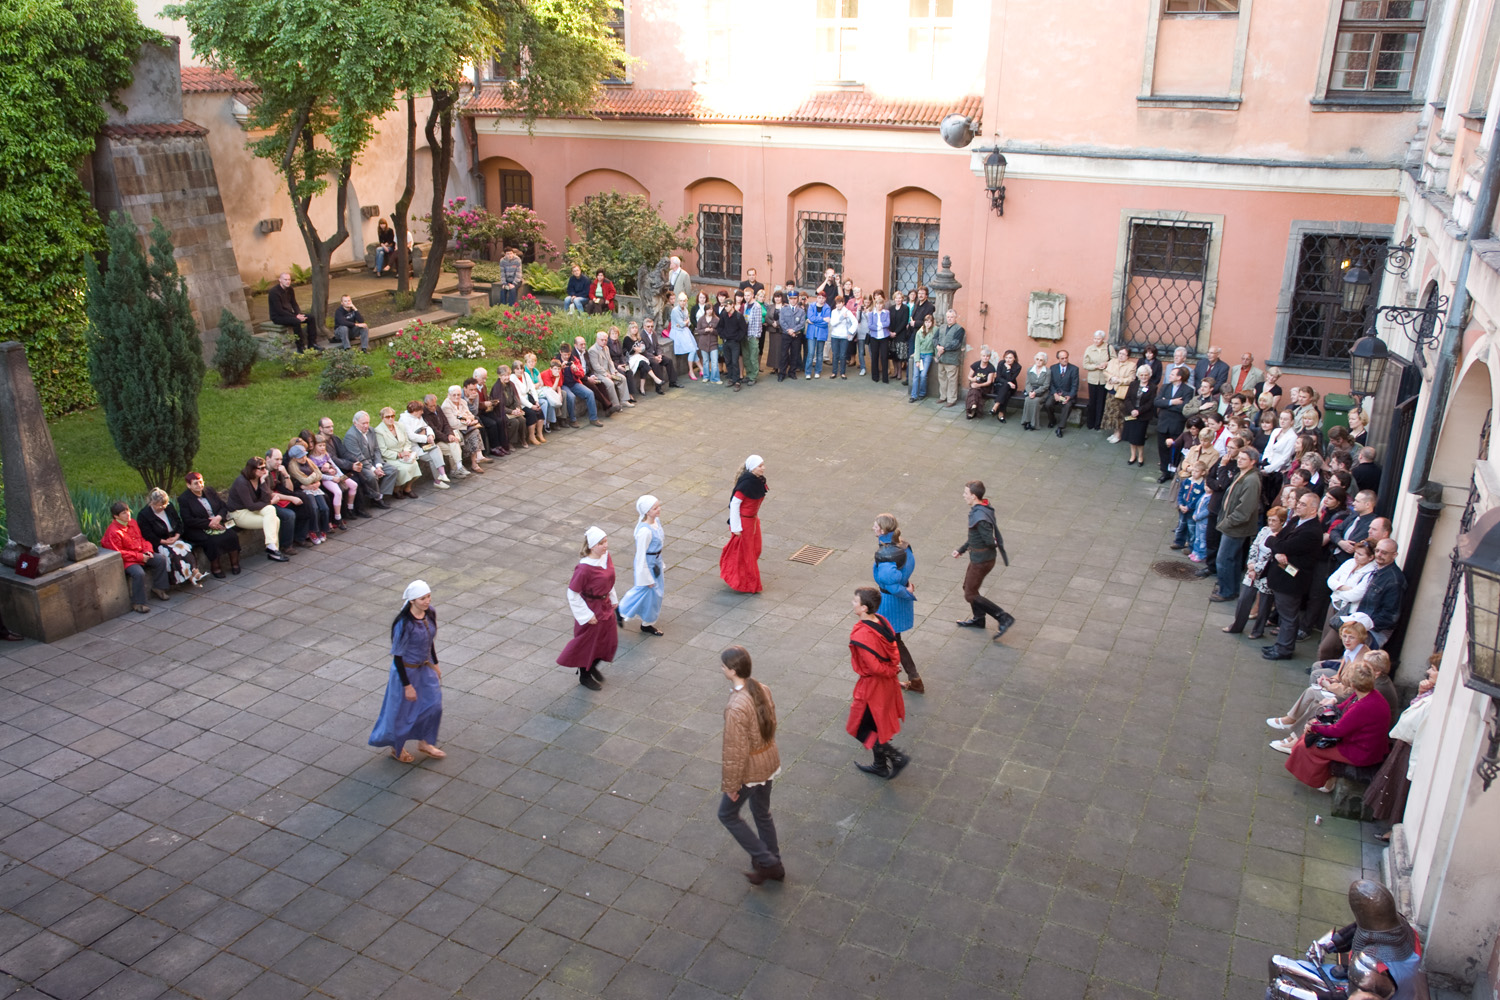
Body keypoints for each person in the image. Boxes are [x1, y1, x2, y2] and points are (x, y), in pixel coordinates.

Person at [717, 645, 784, 885]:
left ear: (733, 670)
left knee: (727, 815)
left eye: (723, 666)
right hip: (769, 760)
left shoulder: (736, 706)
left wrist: (732, 785)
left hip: (752, 769)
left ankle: (768, 862)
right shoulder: (761, 688)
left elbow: (735, 751)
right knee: (762, 812)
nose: (721, 669)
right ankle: (773, 859)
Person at [368, 581, 446, 763]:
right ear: (412, 601)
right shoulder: (404, 624)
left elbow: (429, 640)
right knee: (403, 712)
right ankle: (397, 746)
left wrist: (435, 663)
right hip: (407, 672)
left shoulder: (430, 613)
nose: (427, 601)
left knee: (434, 705)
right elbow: (398, 656)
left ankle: (425, 742)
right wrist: (407, 686)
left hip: (425, 668)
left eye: (428, 596)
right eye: (422, 598)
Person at [1284, 662, 1390, 793]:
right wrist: (1320, 718)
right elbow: (1342, 706)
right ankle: (1327, 780)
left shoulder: (1362, 706)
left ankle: (1324, 782)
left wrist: (1314, 727)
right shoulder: (1370, 694)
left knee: (1308, 744)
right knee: (1307, 739)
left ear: (1353, 684)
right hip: (1366, 747)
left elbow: (1337, 731)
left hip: (1360, 752)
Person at [847, 587, 910, 778]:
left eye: (855, 601)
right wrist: (893, 670)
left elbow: (874, 668)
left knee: (859, 727)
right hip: (887, 683)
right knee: (875, 724)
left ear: (864, 608)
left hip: (873, 686)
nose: (853, 603)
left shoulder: (862, 635)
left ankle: (896, 757)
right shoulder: (882, 621)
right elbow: (893, 649)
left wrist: (889, 671)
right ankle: (880, 765)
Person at [1264, 490, 1326, 660]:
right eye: (1299, 502)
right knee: (1285, 614)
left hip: (1292, 580)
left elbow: (1284, 545)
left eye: (1303, 504)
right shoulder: (1296, 520)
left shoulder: (1311, 531)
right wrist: (1277, 549)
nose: (1298, 505)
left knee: (1288, 616)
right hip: (1282, 575)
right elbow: (1276, 539)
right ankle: (1280, 645)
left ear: (1314, 510)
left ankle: (1284, 649)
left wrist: (1276, 546)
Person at [951, 480, 1015, 639]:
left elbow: (987, 540)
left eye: (966, 493)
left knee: (970, 594)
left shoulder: (980, 517)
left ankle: (1003, 617)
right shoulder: (981, 509)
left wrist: (991, 543)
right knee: (968, 587)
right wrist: (962, 550)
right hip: (979, 558)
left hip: (982, 561)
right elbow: (975, 537)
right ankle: (979, 619)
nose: (963, 496)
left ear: (973, 496)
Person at [558, 526, 618, 691]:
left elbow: (609, 580)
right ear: (592, 546)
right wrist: (586, 615)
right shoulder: (584, 568)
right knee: (589, 643)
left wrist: (613, 598)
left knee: (608, 640)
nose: (605, 545)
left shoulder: (606, 557)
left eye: (605, 541)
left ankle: (591, 665)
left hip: (605, 605)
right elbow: (573, 593)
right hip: (592, 608)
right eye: (601, 543)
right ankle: (585, 675)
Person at [873, 514, 923, 694]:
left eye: (875, 525)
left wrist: (906, 592)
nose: (873, 528)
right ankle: (911, 678)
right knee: (894, 640)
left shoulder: (886, 554)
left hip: (889, 604)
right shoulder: (904, 547)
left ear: (883, 530)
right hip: (898, 602)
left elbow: (890, 583)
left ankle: (905, 677)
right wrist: (906, 585)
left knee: (889, 640)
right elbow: (908, 568)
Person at [101, 501, 171, 613]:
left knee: (160, 560)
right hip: (127, 560)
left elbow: (142, 539)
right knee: (138, 573)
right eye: (124, 513)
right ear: (116, 516)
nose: (128, 514)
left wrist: (148, 550)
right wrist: (139, 557)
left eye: (128, 511)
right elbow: (119, 553)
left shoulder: (133, 522)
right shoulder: (113, 532)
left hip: (141, 553)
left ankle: (159, 587)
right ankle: (138, 603)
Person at [1213, 446, 1263, 601]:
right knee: (1232, 559)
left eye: (1243, 459)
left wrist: (1225, 523)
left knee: (1224, 559)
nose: (1239, 461)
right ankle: (1229, 587)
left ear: (1253, 461)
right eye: (1239, 458)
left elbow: (1244, 510)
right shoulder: (1243, 474)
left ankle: (1226, 591)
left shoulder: (1251, 480)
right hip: (1232, 524)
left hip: (1235, 527)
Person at [719, 455, 771, 597]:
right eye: (760, 466)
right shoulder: (746, 484)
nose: (763, 468)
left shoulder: (757, 481)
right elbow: (735, 503)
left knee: (755, 549)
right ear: (753, 468)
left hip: (753, 520)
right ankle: (748, 583)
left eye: (763, 465)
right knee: (747, 553)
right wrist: (736, 527)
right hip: (745, 523)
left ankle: (744, 577)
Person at [226, 456, 296, 562]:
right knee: (274, 519)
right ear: (252, 470)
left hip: (254, 508)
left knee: (271, 511)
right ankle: (273, 550)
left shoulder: (262, 478)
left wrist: (263, 482)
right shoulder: (242, 482)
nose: (265, 470)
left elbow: (265, 498)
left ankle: (272, 548)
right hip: (239, 513)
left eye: (265, 467)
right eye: (261, 468)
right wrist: (271, 502)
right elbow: (250, 505)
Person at [136, 487, 205, 587]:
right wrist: (164, 542)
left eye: (165, 505)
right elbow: (148, 535)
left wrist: (176, 536)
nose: (163, 508)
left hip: (173, 537)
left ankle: (195, 571)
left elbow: (178, 522)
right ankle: (189, 577)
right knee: (174, 554)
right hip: (159, 542)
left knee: (185, 549)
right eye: (160, 506)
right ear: (152, 503)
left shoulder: (169, 507)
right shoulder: (144, 515)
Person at [618, 495, 666, 636]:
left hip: (655, 562)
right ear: (646, 511)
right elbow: (640, 557)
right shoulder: (644, 531)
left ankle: (646, 622)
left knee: (655, 594)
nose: (659, 510)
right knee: (645, 591)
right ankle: (622, 610)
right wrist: (646, 577)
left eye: (658, 506)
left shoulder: (656, 521)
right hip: (649, 565)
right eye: (655, 508)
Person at [177, 472, 241, 577]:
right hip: (198, 527)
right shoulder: (184, 499)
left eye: (201, 482)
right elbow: (188, 520)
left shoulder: (209, 491)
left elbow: (223, 506)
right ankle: (216, 567)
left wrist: (219, 517)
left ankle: (235, 564)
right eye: (195, 483)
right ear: (189, 485)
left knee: (232, 535)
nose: (199, 485)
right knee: (211, 541)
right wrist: (210, 523)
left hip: (217, 522)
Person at [375, 407, 422, 498]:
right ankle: (396, 489)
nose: (391, 418)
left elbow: (407, 442)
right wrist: (399, 455)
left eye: (392, 416)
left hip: (404, 454)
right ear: (382, 418)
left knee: (414, 464)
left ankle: (407, 488)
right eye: (387, 417)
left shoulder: (400, 426)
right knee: (403, 469)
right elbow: (383, 451)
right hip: (391, 457)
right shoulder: (379, 431)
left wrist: (406, 451)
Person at [1154, 364, 1191, 482]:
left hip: (1177, 424)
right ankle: (1164, 472)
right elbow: (1157, 402)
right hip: (1163, 424)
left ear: (1179, 377)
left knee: (1175, 449)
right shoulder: (1165, 387)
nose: (1169, 376)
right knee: (1162, 449)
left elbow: (1184, 408)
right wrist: (1172, 402)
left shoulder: (1188, 390)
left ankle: (1173, 470)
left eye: (1172, 374)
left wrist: (1166, 404)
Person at [268, 271, 317, 352]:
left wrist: (299, 314)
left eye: (289, 280)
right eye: (285, 279)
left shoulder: (290, 289)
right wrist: (295, 317)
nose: (288, 281)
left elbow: (294, 303)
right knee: (296, 321)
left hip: (290, 314)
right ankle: (300, 347)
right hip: (278, 317)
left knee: (311, 317)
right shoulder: (273, 292)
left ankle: (312, 344)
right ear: (280, 280)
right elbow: (279, 310)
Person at [1122, 364, 1156, 465]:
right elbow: (1127, 398)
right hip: (1131, 414)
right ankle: (1133, 455)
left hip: (1143, 415)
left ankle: (1140, 455)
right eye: (1141, 375)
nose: (1144, 377)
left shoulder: (1153, 387)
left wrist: (1139, 411)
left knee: (1139, 437)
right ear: (1138, 375)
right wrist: (1132, 410)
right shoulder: (1133, 384)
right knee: (1131, 436)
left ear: (1149, 375)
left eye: (1146, 375)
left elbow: (1150, 403)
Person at [933, 308, 966, 407]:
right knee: (942, 378)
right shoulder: (941, 327)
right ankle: (943, 396)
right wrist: (938, 347)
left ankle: (951, 399)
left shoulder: (960, 329)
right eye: (948, 317)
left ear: (956, 318)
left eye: (952, 317)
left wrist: (943, 348)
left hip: (952, 359)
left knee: (952, 380)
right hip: (941, 358)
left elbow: (956, 343)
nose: (949, 319)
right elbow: (935, 338)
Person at [1043, 349, 1079, 437]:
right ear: (1058, 359)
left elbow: (1075, 385)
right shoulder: (1053, 368)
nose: (1065, 360)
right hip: (1055, 393)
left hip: (1067, 394)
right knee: (1048, 404)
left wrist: (1069, 396)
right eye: (1062, 358)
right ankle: (1052, 420)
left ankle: (1060, 427)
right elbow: (1050, 383)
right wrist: (1055, 394)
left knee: (1067, 406)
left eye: (1066, 358)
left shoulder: (1074, 369)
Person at [1081, 330, 1110, 431]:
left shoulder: (1108, 348)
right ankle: (1090, 423)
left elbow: (1114, 361)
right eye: (1095, 339)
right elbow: (1085, 364)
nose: (1097, 341)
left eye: (1099, 339)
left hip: (1104, 379)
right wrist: (1096, 366)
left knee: (1101, 402)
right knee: (1092, 402)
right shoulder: (1089, 349)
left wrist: (1106, 364)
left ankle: (1098, 424)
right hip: (1092, 379)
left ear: (1103, 339)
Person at [719, 292, 749, 389]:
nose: (725, 308)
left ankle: (737, 381)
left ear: (732, 305)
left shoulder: (738, 316)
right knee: (728, 361)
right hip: (726, 341)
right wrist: (723, 336)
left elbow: (743, 329)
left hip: (735, 342)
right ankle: (731, 378)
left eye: (727, 306)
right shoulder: (723, 315)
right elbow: (720, 327)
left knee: (735, 361)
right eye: (724, 306)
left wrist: (737, 338)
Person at [778, 289, 806, 381]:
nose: (793, 300)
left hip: (796, 335)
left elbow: (802, 323)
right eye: (791, 298)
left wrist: (794, 330)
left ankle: (792, 372)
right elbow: (782, 321)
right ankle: (782, 373)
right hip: (786, 335)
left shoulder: (801, 311)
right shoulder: (783, 309)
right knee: (783, 355)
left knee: (795, 354)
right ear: (788, 298)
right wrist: (789, 331)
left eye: (795, 298)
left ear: (797, 299)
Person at [909, 311, 936, 403]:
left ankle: (922, 393)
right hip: (920, 355)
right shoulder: (919, 332)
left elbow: (936, 343)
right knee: (916, 375)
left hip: (928, 354)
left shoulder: (935, 330)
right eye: (926, 322)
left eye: (929, 322)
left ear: (932, 322)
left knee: (923, 375)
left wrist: (936, 355)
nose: (928, 324)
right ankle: (913, 395)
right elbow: (917, 346)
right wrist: (917, 359)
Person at [1020, 351, 1051, 431]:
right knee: (1027, 400)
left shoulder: (1047, 371)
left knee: (1035, 401)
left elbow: (1046, 385)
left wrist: (1035, 392)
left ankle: (1033, 424)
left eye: (1041, 360)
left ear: (1044, 362)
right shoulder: (1030, 370)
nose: (1038, 361)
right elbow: (1027, 384)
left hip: (1042, 392)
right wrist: (1030, 392)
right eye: (1037, 359)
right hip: (1031, 391)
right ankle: (1026, 422)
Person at [803, 290, 830, 379]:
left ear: (825, 299)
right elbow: (810, 317)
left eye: (823, 298)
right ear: (816, 298)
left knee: (819, 353)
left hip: (821, 334)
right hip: (811, 333)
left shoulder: (827, 308)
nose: (821, 299)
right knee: (810, 353)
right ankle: (808, 372)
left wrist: (814, 322)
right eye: (819, 297)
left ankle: (818, 371)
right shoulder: (811, 306)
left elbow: (825, 323)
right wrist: (822, 319)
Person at [965, 346, 998, 419]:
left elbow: (989, 382)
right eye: (984, 356)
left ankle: (972, 410)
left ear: (989, 357)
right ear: (981, 356)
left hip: (985, 387)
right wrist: (973, 379)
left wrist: (978, 385)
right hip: (975, 383)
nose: (985, 358)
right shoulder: (975, 365)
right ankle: (974, 407)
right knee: (974, 390)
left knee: (974, 391)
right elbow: (969, 377)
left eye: (987, 356)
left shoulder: (991, 368)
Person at [828, 294, 856, 378]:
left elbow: (855, 322)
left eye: (839, 303)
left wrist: (850, 332)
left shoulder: (848, 312)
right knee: (835, 354)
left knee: (843, 355)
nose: (838, 305)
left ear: (843, 303)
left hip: (844, 336)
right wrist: (841, 318)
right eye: (837, 303)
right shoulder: (833, 312)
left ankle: (843, 373)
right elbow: (833, 323)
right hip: (835, 336)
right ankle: (834, 372)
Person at [866, 290, 892, 383]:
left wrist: (878, 326)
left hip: (884, 337)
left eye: (881, 304)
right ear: (875, 304)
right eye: (877, 304)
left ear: (883, 304)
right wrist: (880, 326)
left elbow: (887, 323)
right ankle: (875, 376)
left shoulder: (887, 313)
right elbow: (870, 325)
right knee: (875, 356)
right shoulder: (871, 314)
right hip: (874, 337)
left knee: (884, 357)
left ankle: (885, 377)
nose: (879, 306)